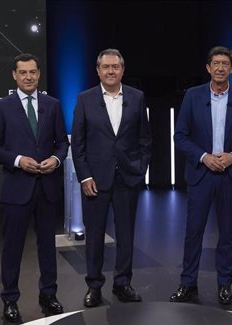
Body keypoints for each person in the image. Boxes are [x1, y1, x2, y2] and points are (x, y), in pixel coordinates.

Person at [169, 46, 232, 305]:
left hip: (229, 175)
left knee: (227, 235)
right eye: (215, 63)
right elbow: (180, 136)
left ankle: (224, 285)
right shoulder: (193, 96)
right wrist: (203, 156)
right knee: (193, 231)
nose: (220, 68)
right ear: (208, 68)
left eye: (225, 63)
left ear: (231, 69)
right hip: (201, 173)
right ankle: (187, 283)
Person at [0, 53, 69, 322]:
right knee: (12, 248)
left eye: (33, 72)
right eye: (23, 73)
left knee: (47, 246)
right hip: (16, 188)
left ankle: (49, 294)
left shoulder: (52, 105)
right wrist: (19, 160)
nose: (29, 77)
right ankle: (10, 298)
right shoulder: (2, 107)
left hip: (46, 188)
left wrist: (55, 160)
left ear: (39, 74)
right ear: (14, 75)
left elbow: (62, 143)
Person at [71, 48, 152, 308]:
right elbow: (78, 143)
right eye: (105, 67)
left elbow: (145, 139)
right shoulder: (85, 99)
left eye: (115, 67)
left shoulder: (137, 98)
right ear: (98, 70)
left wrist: (139, 169)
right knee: (94, 235)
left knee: (126, 235)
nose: (110, 71)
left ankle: (122, 283)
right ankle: (94, 286)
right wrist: (84, 177)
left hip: (127, 178)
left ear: (122, 70)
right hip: (96, 179)